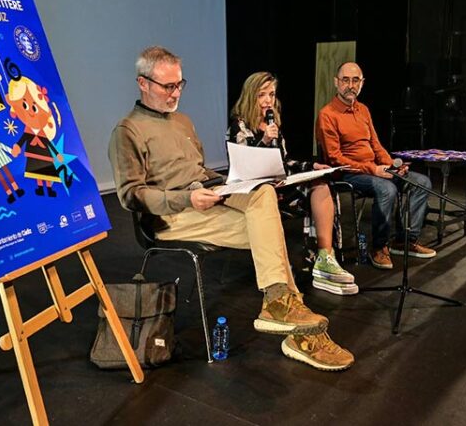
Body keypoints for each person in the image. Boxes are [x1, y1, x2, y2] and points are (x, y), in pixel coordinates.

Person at [108, 46, 353, 370]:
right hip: (173, 215)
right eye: (168, 86)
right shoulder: (128, 131)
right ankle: (299, 332)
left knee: (264, 193)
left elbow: (197, 171)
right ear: (143, 83)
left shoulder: (182, 121)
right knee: (270, 234)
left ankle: (278, 304)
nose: (176, 93)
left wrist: (233, 181)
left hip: (207, 196)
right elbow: (130, 196)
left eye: (180, 84)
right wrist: (187, 198)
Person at [229, 72, 358, 296]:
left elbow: (285, 161)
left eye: (271, 94)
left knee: (320, 183)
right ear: (251, 96)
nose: (268, 100)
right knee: (274, 191)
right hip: (256, 191)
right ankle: (279, 270)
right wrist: (265, 141)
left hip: (279, 183)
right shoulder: (239, 126)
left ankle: (324, 258)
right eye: (262, 95)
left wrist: (311, 166)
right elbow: (243, 166)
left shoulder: (272, 122)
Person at [316, 62, 436, 269]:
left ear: (362, 84)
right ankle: (379, 247)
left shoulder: (363, 110)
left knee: (421, 182)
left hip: (374, 169)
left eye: (355, 80)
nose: (350, 85)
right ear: (336, 83)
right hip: (347, 173)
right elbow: (335, 159)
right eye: (345, 80)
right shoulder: (327, 114)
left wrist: (391, 165)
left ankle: (405, 241)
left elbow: (376, 145)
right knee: (386, 188)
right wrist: (374, 170)